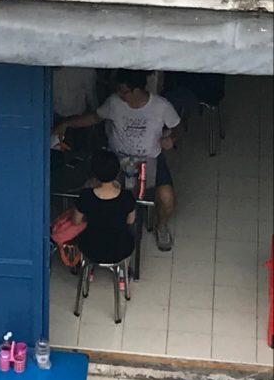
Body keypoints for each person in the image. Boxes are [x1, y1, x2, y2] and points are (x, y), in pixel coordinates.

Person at [54, 68, 181, 251]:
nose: (120, 95)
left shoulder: (161, 106)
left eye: (124, 91)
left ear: (137, 90)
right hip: (116, 159)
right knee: (93, 191)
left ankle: (161, 226)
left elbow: (178, 127)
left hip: (151, 158)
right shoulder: (114, 102)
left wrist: (172, 138)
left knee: (167, 198)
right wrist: (66, 123)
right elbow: (94, 117)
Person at [73, 150, 136, 265]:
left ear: (94, 173)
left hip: (91, 249)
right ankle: (124, 274)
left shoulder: (86, 196)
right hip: (121, 249)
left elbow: (76, 221)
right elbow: (130, 221)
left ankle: (88, 271)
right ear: (118, 172)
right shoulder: (127, 197)